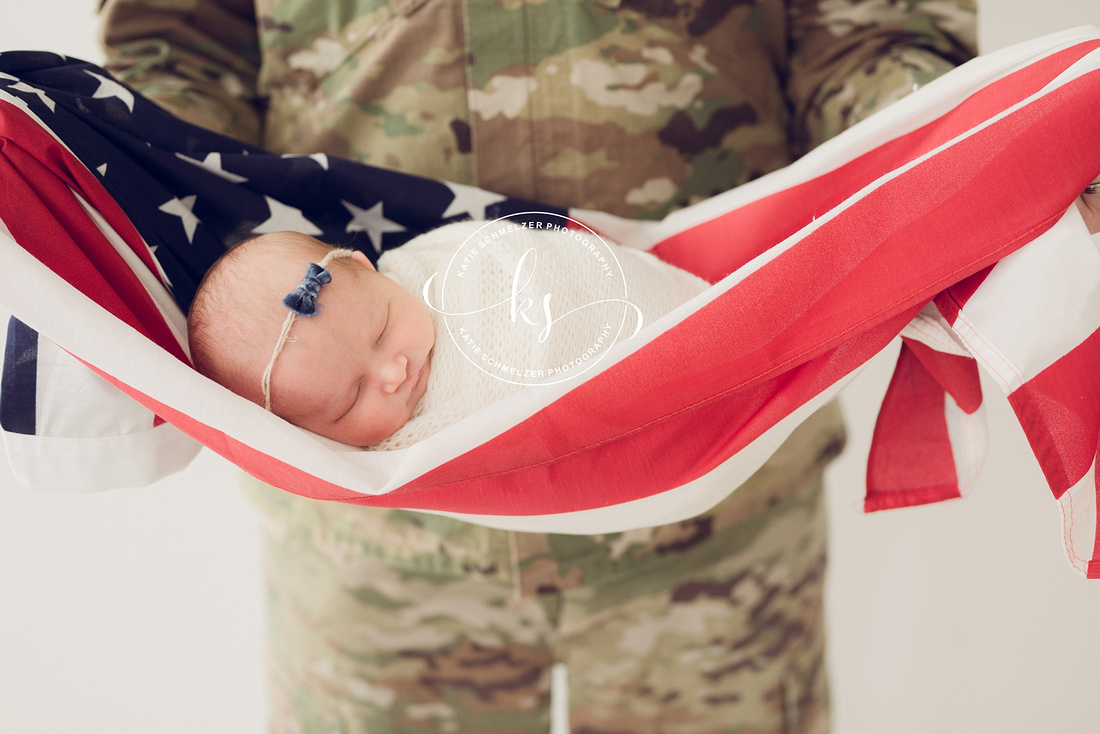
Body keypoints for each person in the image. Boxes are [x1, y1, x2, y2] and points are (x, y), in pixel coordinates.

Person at [99, 1, 979, 731]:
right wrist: (158, 259)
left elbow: (871, 30)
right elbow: (175, 43)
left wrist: (971, 164)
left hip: (715, 503)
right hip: (376, 556)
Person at [188, 222, 708, 448]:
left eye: (384, 327)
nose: (393, 373)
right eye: (349, 401)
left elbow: (555, 266)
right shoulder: (392, 461)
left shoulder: (449, 262)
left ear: (372, 268)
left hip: (685, 325)